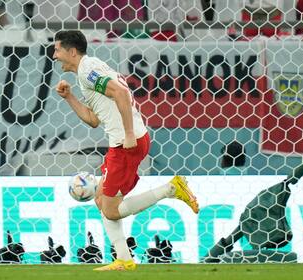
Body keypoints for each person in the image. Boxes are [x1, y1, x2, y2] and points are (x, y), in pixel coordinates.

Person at [53, 30, 199, 271]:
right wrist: (69, 97)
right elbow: (92, 119)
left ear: (72, 51)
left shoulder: (88, 71)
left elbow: (121, 92)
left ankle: (171, 188)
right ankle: (123, 259)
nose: (54, 55)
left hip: (125, 143)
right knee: (101, 200)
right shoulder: (88, 71)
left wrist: (129, 134)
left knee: (111, 209)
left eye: (57, 49)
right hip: (121, 142)